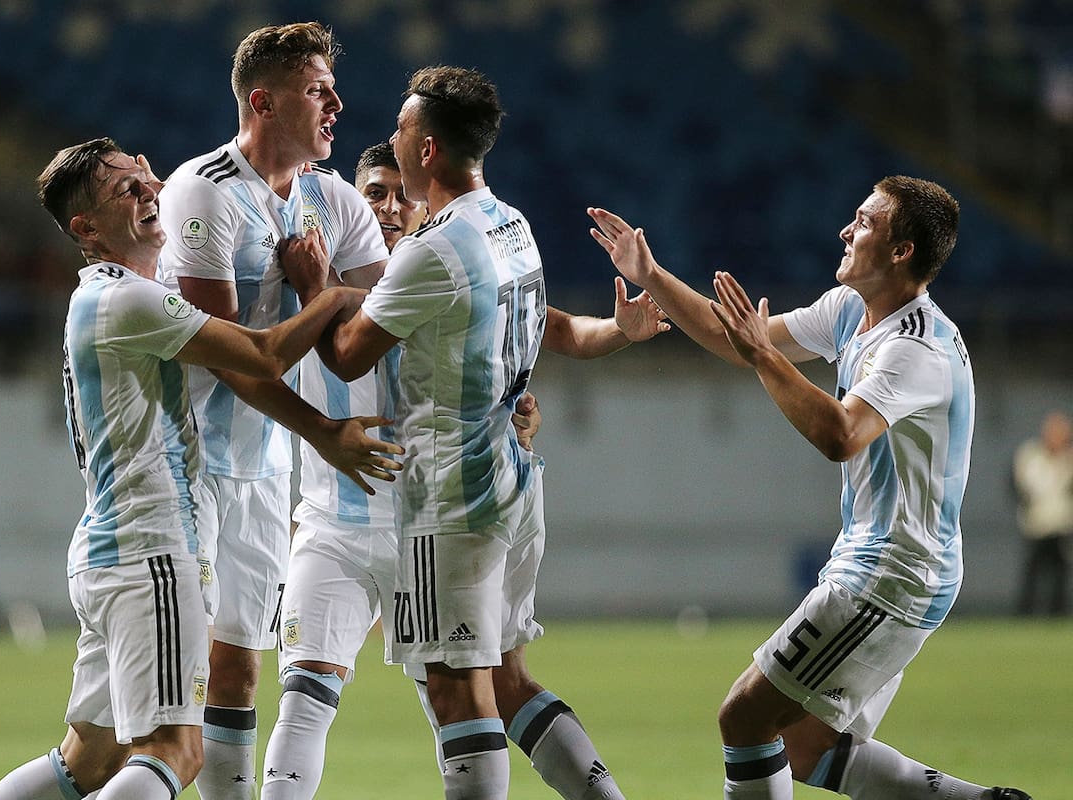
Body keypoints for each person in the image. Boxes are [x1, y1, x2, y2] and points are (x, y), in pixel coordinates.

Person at [588, 178, 1030, 800]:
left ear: (901, 251)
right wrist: (651, 274)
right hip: (888, 565)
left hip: (893, 572)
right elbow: (732, 341)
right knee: (803, 747)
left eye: (865, 222)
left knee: (744, 718)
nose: (847, 231)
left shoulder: (916, 348)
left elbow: (841, 434)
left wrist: (767, 356)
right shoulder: (852, 310)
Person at [262, 139, 664, 799]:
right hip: (334, 524)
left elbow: (561, 332)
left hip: (431, 528)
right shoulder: (314, 264)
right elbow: (277, 183)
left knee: (492, 692)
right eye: (374, 195)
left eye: (403, 194)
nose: (389, 208)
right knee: (305, 691)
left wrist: (618, 330)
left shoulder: (451, 272)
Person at [0, 137, 367, 800]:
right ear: (87, 229)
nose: (149, 191)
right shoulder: (129, 301)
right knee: (175, 751)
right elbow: (264, 354)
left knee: (87, 763)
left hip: (109, 548)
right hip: (155, 549)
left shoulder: (105, 296)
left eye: (145, 177)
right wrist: (329, 294)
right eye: (125, 191)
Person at [155, 22, 401, 799]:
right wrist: (326, 427)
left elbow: (385, 327)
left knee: (237, 660)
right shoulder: (203, 191)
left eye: (332, 88)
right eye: (316, 90)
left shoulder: (335, 199)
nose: (337, 103)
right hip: (181, 456)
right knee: (175, 678)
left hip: (264, 463)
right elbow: (228, 355)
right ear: (262, 101)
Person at [1012, 409, 1073, 616]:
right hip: (1036, 524)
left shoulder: (1068, 459)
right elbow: (1018, 485)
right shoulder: (1031, 455)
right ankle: (1024, 614)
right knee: (1032, 572)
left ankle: (1058, 614)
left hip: (1061, 524)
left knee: (1060, 574)